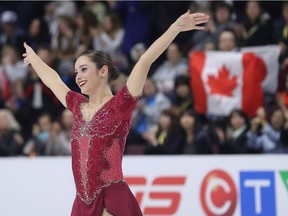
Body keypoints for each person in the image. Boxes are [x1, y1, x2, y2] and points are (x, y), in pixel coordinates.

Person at [22, 10, 209, 216]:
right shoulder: (77, 106)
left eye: (83, 69)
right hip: (82, 201)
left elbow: (145, 61)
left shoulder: (121, 104)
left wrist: (175, 28)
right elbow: (53, 80)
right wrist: (34, 59)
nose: (78, 76)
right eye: (76, 72)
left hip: (111, 200)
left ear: (103, 71)